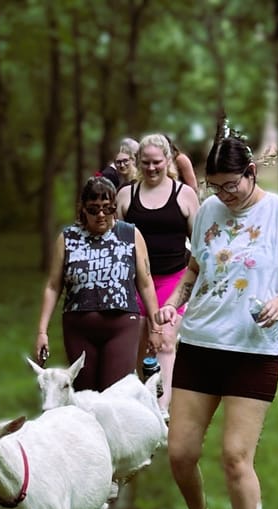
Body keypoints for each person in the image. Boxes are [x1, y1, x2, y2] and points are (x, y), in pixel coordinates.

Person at [154, 122, 278, 509]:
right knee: (180, 452)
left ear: (251, 172)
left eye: (230, 186)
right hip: (200, 343)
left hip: (253, 351)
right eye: (216, 187)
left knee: (234, 457)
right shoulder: (210, 210)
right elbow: (194, 270)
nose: (223, 196)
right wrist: (174, 302)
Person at [35, 175, 161, 392]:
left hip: (121, 323)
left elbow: (146, 283)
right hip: (79, 325)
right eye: (94, 209)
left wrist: (156, 327)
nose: (101, 215)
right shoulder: (68, 238)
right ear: (83, 208)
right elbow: (53, 286)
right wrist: (42, 331)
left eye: (107, 208)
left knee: (115, 393)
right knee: (84, 395)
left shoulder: (130, 234)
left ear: (115, 206)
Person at [116, 133, 200, 411]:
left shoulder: (184, 194)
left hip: (173, 281)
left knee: (164, 341)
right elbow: (114, 243)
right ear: (138, 162)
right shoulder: (127, 195)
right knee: (138, 343)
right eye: (146, 162)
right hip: (135, 281)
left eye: (156, 162)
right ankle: (139, 403)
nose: (151, 168)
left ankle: (162, 414)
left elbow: (199, 245)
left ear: (167, 160)